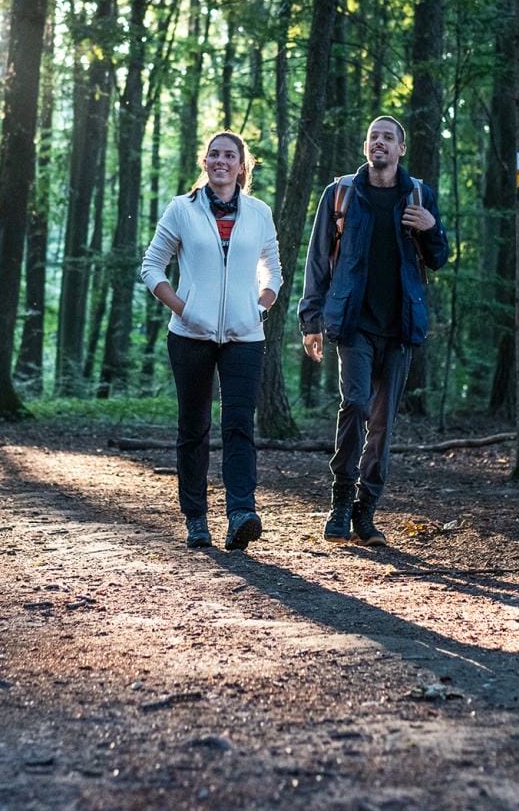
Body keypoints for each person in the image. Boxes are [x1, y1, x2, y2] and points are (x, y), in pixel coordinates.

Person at [299, 115, 449, 545]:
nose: (378, 143)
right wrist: (311, 320)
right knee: (356, 406)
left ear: (401, 148)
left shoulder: (419, 195)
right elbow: (317, 259)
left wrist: (431, 228)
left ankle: (367, 511)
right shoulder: (341, 193)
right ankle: (341, 502)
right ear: (366, 147)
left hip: (400, 326)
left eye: (387, 137)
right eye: (372, 137)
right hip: (353, 322)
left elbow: (438, 258)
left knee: (383, 424)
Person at [139, 131, 282, 550]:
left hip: (245, 337)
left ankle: (242, 512)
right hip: (190, 336)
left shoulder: (259, 213)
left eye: (230, 155)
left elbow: (272, 270)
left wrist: (261, 306)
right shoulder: (182, 210)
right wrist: (184, 309)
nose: (221, 161)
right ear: (205, 163)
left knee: (239, 425)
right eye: (214, 154)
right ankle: (196, 519)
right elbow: (152, 268)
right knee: (194, 427)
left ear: (242, 166)